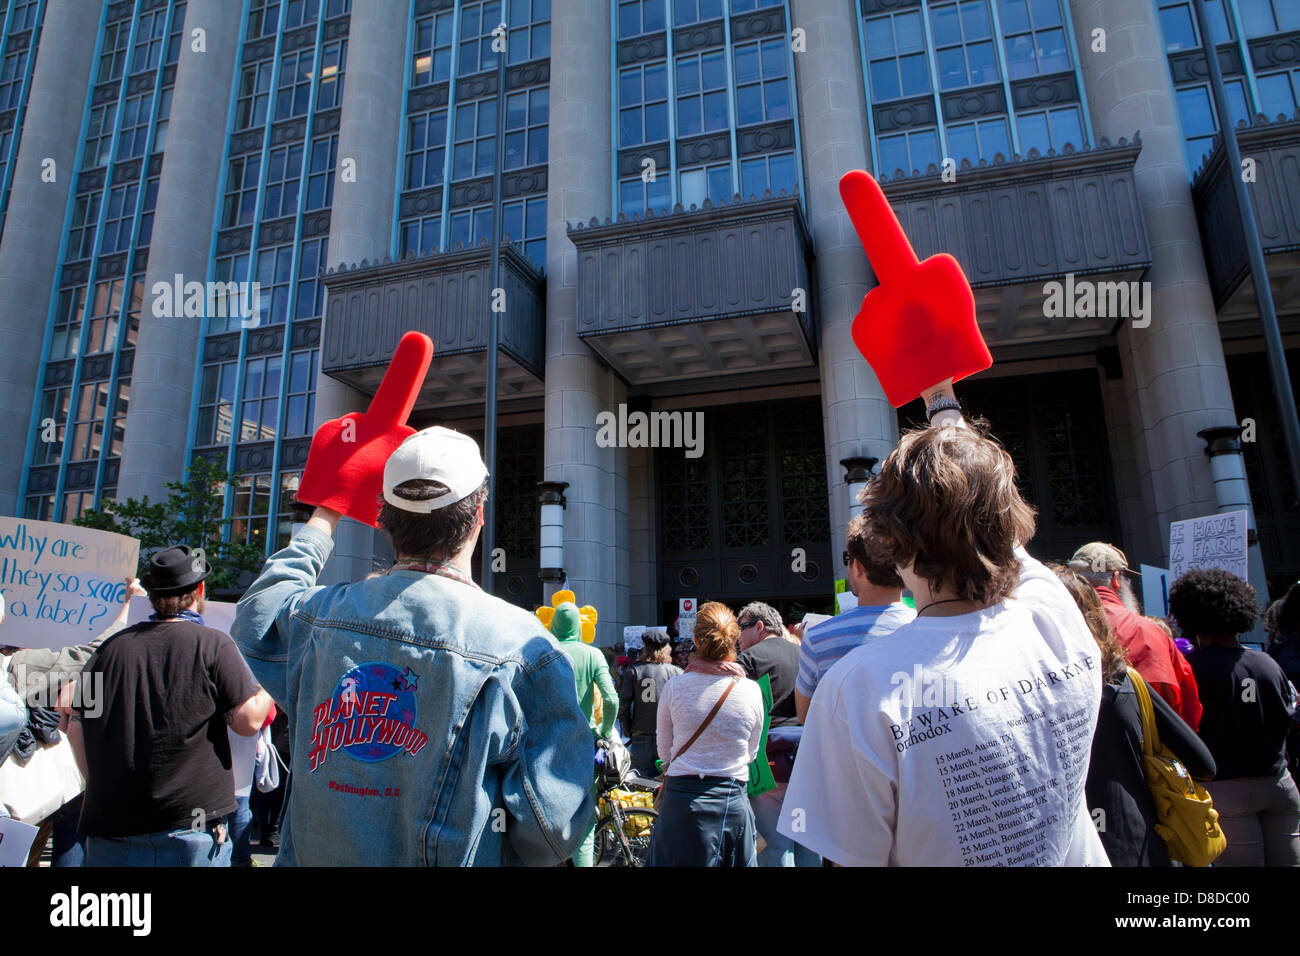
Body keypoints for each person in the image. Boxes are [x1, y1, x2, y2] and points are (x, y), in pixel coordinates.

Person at [233, 425, 595, 865]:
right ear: (479, 512)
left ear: (384, 517)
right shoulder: (524, 648)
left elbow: (257, 615)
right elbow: (554, 823)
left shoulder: (319, 617)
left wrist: (329, 508)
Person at [779, 383, 1108, 866]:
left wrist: (939, 406)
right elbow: (998, 529)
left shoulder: (859, 687)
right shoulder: (1056, 616)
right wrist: (943, 402)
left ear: (892, 544)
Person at [67, 546, 274, 866]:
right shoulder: (213, 645)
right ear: (200, 590)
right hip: (189, 827)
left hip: (111, 826)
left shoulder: (109, 649)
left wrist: (95, 782)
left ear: (150, 595)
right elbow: (247, 721)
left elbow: (76, 722)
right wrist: (270, 677)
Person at [1051, 565, 1215, 866]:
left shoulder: (1026, 698)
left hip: (1066, 850)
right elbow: (1202, 762)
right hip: (1140, 842)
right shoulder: (1124, 682)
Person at [1174, 568, 1300, 866]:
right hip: (1278, 784)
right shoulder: (1267, 663)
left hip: (1226, 790)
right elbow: (1287, 716)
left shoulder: (1190, 669)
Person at [648, 602, 765, 867]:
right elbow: (751, 752)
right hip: (731, 799)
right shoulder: (751, 690)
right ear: (734, 639)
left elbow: (665, 753)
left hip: (682, 803)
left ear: (695, 640)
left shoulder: (674, 687)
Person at [795, 513, 916, 723]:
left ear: (858, 566)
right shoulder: (928, 627)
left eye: (847, 559)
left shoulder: (819, 638)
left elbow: (805, 715)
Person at [1069, 542, 1202, 730]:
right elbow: (1188, 707)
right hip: (1148, 749)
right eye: (1126, 579)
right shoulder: (1151, 631)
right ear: (1116, 579)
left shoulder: (1057, 628)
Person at [733, 601, 814, 866]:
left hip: (768, 765)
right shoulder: (805, 654)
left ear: (759, 626)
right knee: (807, 841)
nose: (737, 636)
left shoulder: (748, 660)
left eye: (741, 628)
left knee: (774, 844)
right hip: (808, 758)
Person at [549, 600, 617, 867]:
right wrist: (605, 731)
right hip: (585, 746)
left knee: (548, 817)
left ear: (554, 624)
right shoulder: (593, 655)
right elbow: (611, 699)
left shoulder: (545, 651)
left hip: (548, 747)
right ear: (578, 626)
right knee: (586, 823)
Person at [618, 629, 681, 776]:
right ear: (667, 648)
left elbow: (623, 707)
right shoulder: (677, 673)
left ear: (645, 648)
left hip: (641, 735)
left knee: (640, 784)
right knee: (667, 782)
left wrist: (629, 730)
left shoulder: (634, 671)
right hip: (670, 737)